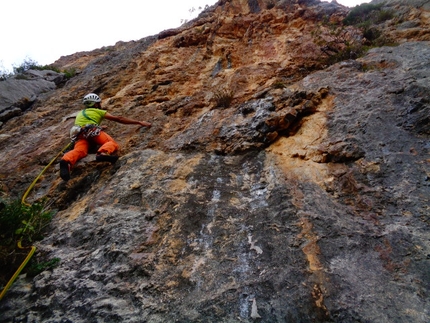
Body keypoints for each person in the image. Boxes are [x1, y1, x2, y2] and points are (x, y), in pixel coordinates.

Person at [59, 93, 151, 181]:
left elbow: (85, 123)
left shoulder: (80, 113)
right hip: (92, 131)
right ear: (95, 104)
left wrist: (100, 127)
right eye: (98, 103)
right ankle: (102, 154)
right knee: (111, 143)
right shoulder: (98, 111)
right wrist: (139, 122)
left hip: (79, 134)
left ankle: (66, 160)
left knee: (80, 151)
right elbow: (119, 118)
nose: (99, 105)